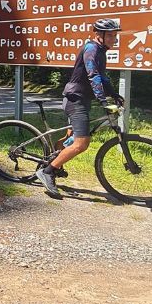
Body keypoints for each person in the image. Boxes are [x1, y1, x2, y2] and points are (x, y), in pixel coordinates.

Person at [35, 17, 124, 199]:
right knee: (81, 143)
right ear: (99, 34)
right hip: (75, 100)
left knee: (70, 138)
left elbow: (102, 77)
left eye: (115, 36)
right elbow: (93, 76)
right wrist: (103, 100)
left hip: (83, 99)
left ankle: (55, 158)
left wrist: (113, 94)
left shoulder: (101, 51)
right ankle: (48, 171)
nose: (113, 39)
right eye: (110, 35)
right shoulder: (92, 49)